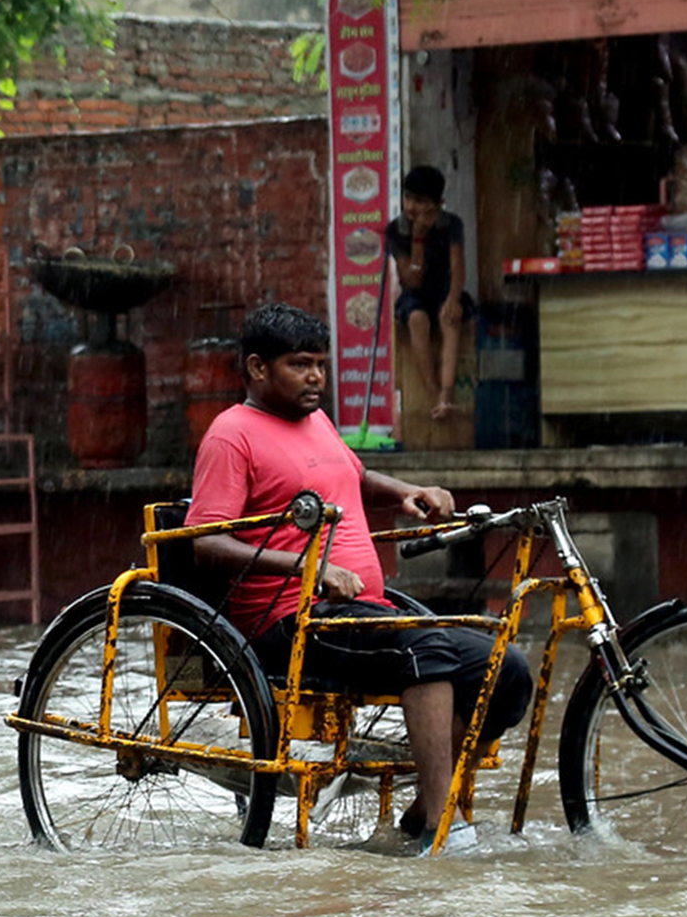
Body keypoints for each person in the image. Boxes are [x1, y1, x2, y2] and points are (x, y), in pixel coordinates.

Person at [187, 302, 531, 849]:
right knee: (424, 652)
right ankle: (447, 831)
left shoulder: (316, 422)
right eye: (301, 364)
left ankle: (421, 815)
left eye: (321, 364)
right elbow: (205, 541)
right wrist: (310, 568)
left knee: (507, 668)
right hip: (288, 624)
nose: (317, 376)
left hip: (360, 614)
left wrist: (405, 492)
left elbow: (356, 473)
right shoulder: (232, 436)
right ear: (257, 368)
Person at [382, 166, 469, 423]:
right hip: (415, 295)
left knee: (449, 318)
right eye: (408, 198)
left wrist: (453, 298)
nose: (411, 207)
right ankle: (433, 397)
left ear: (437, 204)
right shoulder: (395, 230)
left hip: (445, 290)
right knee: (417, 319)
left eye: (420, 201)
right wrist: (418, 238)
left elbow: (457, 267)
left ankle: (447, 394)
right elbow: (412, 279)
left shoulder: (451, 224)